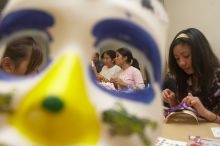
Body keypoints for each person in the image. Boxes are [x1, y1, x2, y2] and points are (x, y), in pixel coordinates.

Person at [162, 28, 220, 123]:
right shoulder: (182, 76)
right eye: (177, 59)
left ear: (201, 53)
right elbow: (185, 111)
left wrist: (204, 112)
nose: (181, 63)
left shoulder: (217, 77)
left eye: (186, 56)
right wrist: (172, 101)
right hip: (190, 132)